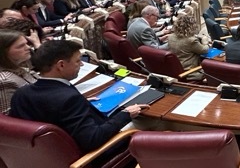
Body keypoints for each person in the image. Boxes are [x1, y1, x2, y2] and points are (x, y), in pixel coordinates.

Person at [9, 40, 146, 154]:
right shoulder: (69, 99)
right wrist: (126, 114)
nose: (81, 64)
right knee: (148, 123)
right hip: (89, 157)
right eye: (77, 61)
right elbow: (92, 140)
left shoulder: (21, 94)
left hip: (45, 157)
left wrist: (82, 104)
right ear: (61, 65)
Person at [0, 30, 37, 114]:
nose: (28, 47)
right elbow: (8, 117)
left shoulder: (19, 67)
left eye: (26, 44)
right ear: (4, 52)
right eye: (21, 46)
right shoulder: (4, 81)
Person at [167, 14, 208, 81]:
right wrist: (205, 42)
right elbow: (204, 50)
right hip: (189, 72)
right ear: (192, 26)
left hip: (175, 70)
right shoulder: (191, 40)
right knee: (212, 70)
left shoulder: (170, 37)